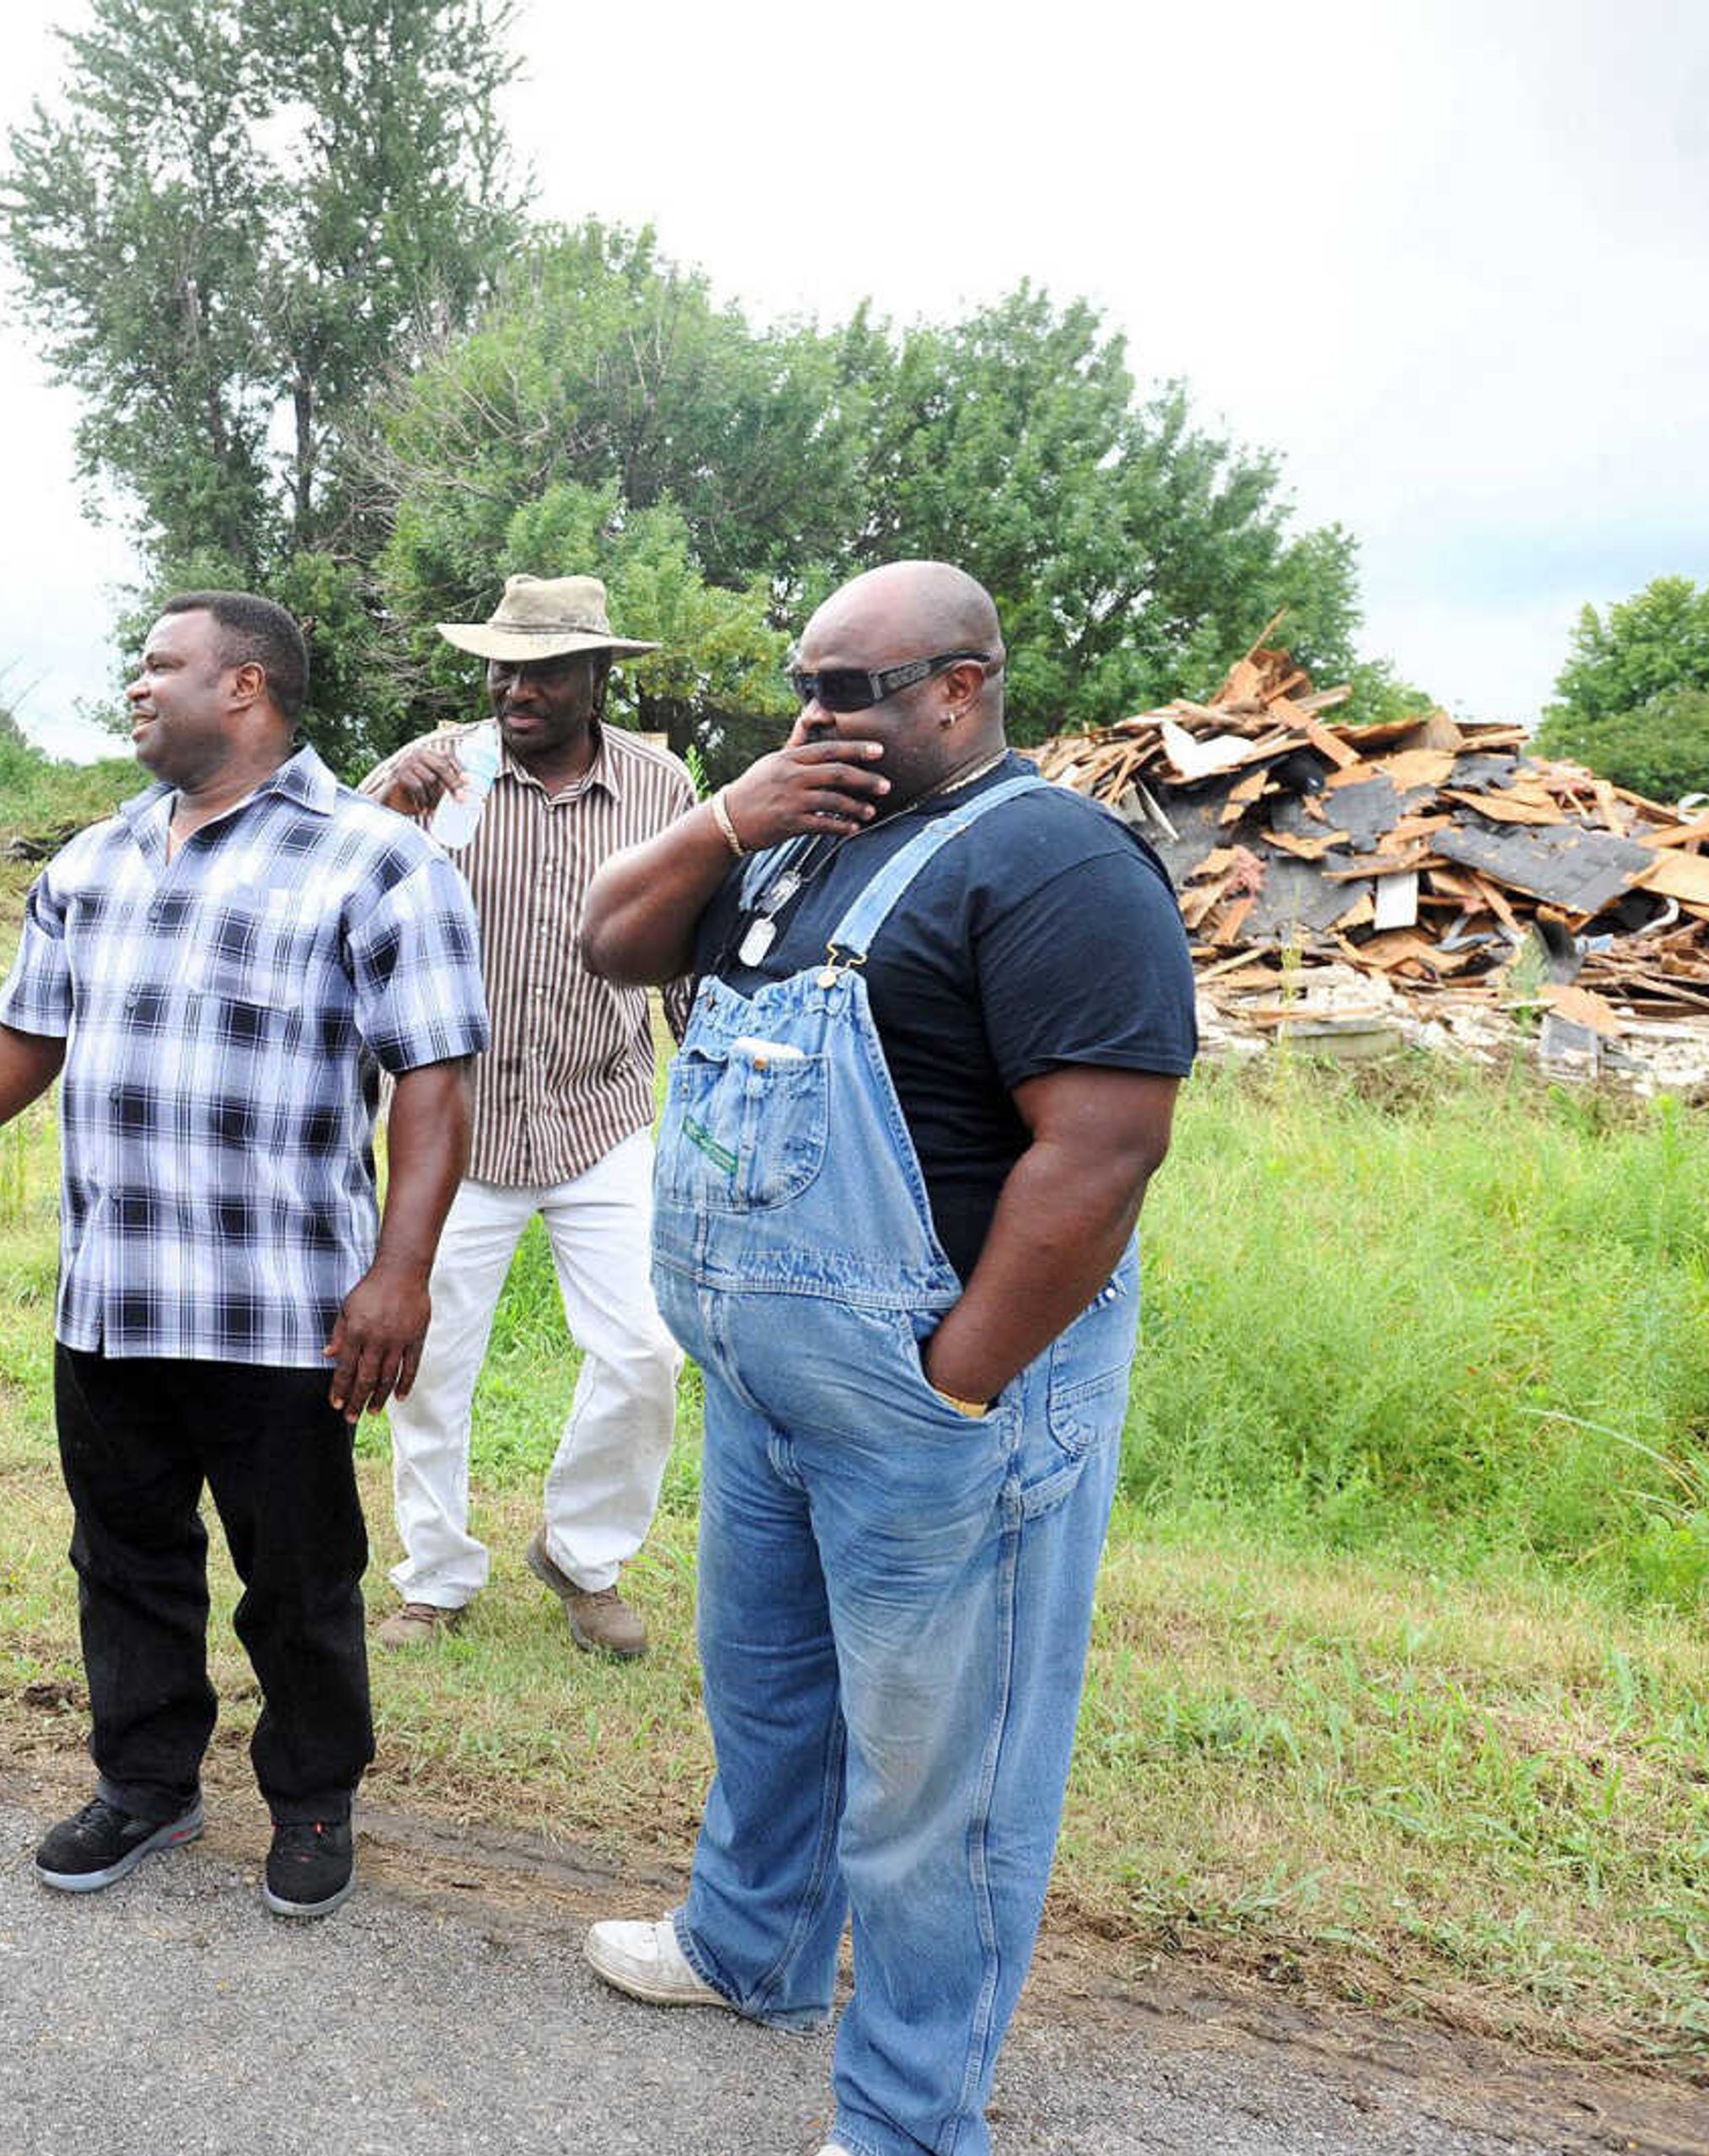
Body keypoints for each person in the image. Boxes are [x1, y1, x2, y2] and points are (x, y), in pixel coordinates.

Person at [572, 563, 1197, 2156]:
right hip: (775, 1394)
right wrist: (733, 811)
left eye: (848, 689)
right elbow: (608, 942)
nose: (814, 711)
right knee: (771, 1700)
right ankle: (748, 1951)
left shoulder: (1055, 861)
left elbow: (1104, 1151)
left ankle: (911, 2118)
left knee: (942, 1787)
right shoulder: (796, 842)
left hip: (935, 1411)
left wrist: (960, 1383)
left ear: (960, 689)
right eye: (803, 681)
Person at [0, 593, 488, 1921]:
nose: (137, 686)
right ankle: (148, 1784)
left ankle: (315, 1796)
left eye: (162, 665)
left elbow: (437, 1080)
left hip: (283, 1312)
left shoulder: (377, 860)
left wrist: (402, 1275)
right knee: (124, 1557)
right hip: (113, 1296)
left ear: (250, 688)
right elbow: (22, 1041)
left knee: (297, 1574)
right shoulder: (95, 861)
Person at [355, 574, 694, 1660]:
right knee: (429, 1354)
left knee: (646, 1347)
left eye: (546, 669)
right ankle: (436, 1575)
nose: (516, 688)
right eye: (503, 667)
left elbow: (687, 931)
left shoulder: (660, 784)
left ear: (598, 678)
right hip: (456, 1118)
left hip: (601, 1107)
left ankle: (583, 1556)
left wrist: (710, 1063)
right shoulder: (436, 771)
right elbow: (335, 896)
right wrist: (389, 812)